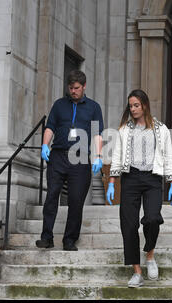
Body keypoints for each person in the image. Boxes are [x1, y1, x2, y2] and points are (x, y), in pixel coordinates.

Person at [106, 89, 172, 288]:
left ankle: (150, 255)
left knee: (153, 218)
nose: (133, 109)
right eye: (131, 105)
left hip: (153, 179)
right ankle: (137, 272)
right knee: (128, 225)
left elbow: (168, 156)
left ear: (145, 105)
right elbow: (118, 156)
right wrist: (112, 182)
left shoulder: (161, 129)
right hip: (130, 179)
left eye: (136, 105)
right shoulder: (124, 129)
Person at [36, 70, 104, 251]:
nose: (73, 91)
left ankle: (69, 240)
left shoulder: (93, 107)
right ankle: (46, 237)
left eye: (76, 88)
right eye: (70, 88)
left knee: (75, 200)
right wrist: (44, 145)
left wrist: (98, 156)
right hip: (58, 154)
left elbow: (97, 134)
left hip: (80, 156)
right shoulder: (59, 105)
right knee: (51, 196)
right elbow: (50, 127)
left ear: (84, 86)